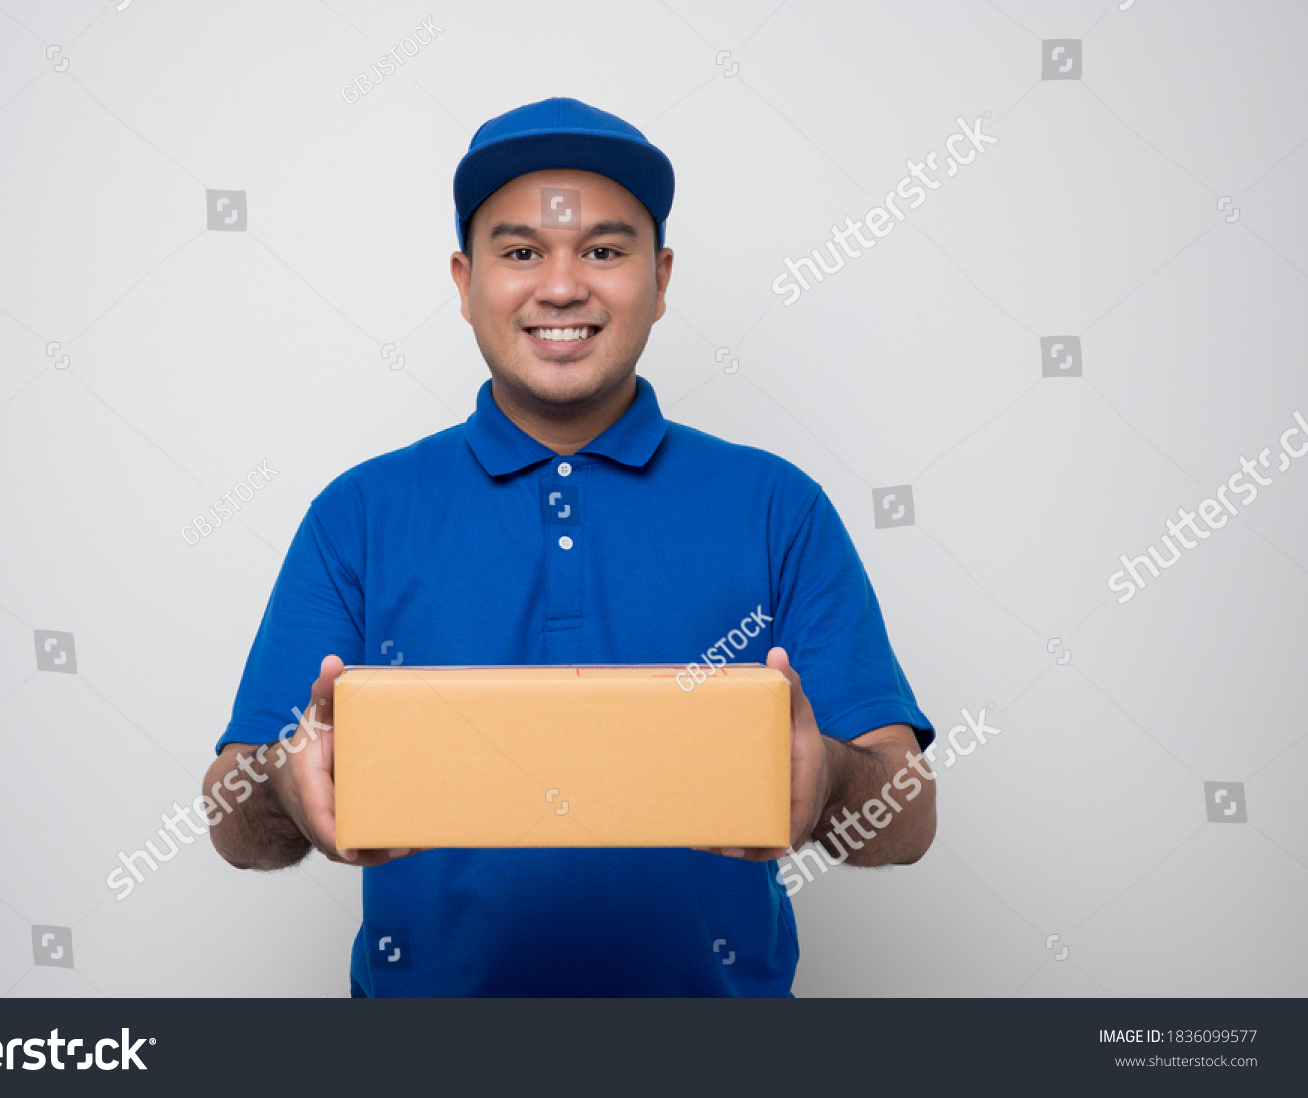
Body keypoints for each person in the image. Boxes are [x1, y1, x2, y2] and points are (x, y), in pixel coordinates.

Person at [203, 97, 937, 996]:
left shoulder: (779, 506)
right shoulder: (358, 514)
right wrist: (282, 784)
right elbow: (231, 820)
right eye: (520, 253)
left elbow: (909, 816)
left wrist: (829, 778)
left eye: (603, 250)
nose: (561, 286)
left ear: (661, 279)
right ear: (464, 280)